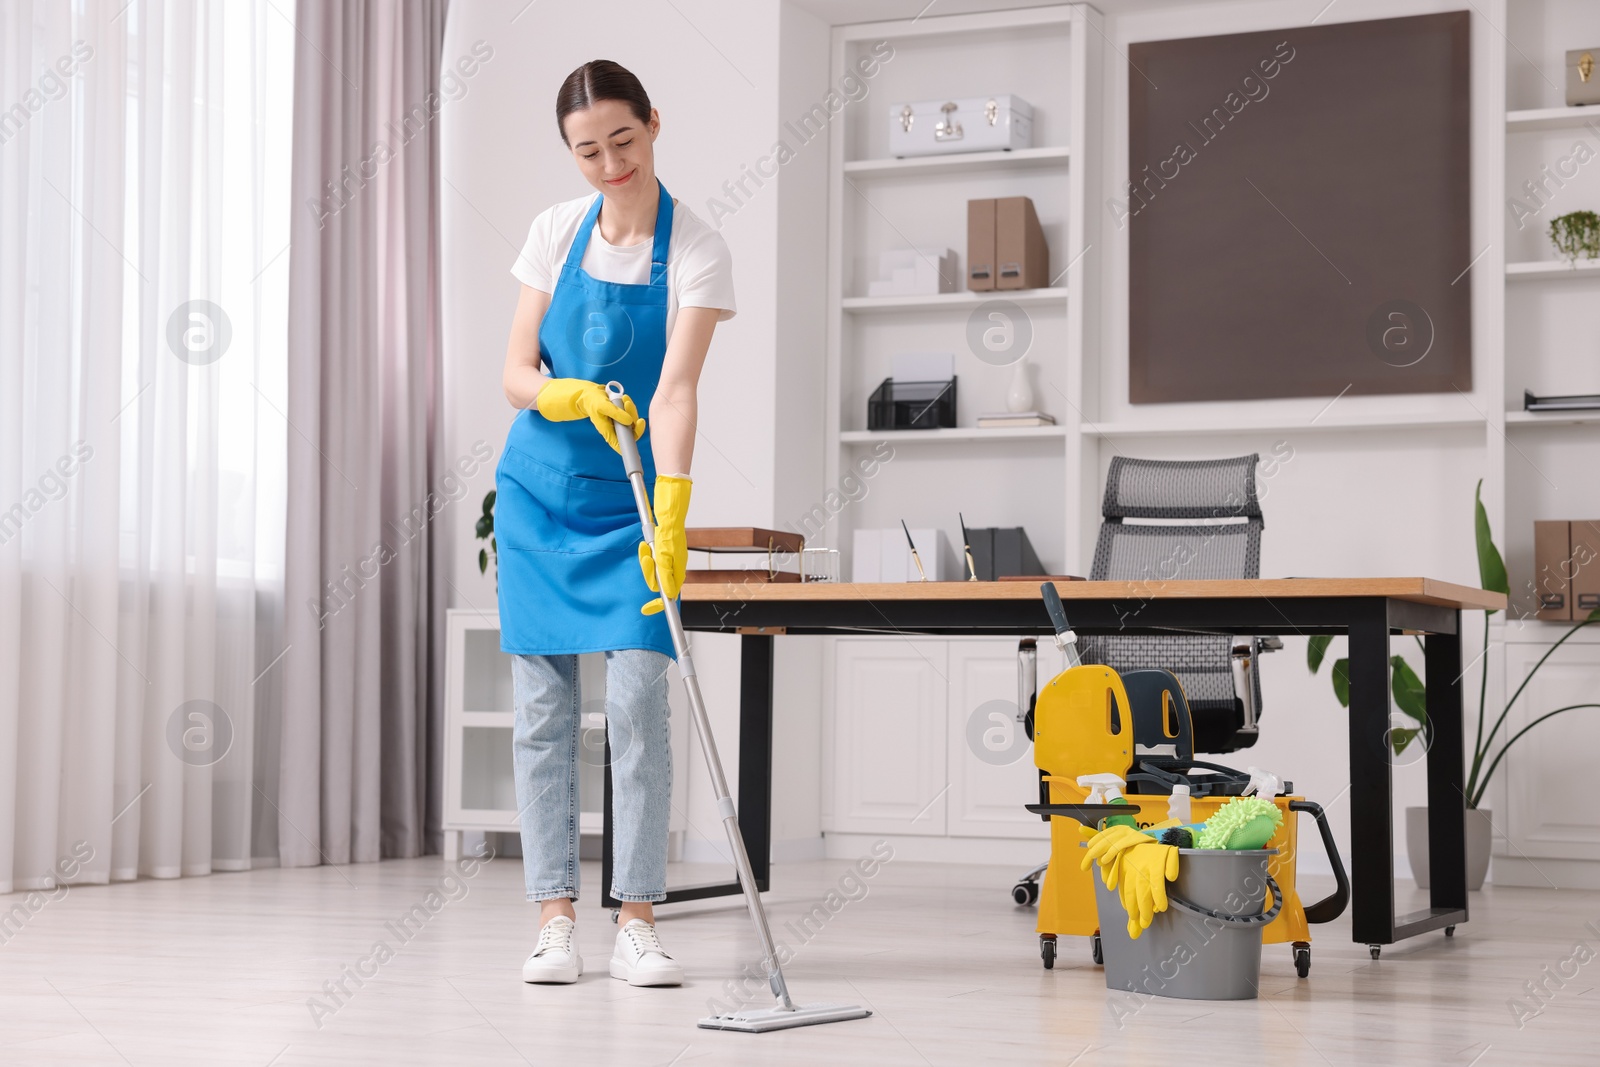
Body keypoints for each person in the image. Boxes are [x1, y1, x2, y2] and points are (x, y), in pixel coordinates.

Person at [496, 59, 735, 987]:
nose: (608, 164)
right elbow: (515, 371)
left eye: (622, 142)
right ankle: (554, 917)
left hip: (630, 500)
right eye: (587, 150)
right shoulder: (555, 233)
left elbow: (676, 390)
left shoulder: (700, 246)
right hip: (538, 496)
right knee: (543, 715)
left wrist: (670, 512)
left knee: (638, 705)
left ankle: (637, 916)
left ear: (654, 125)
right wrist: (563, 391)